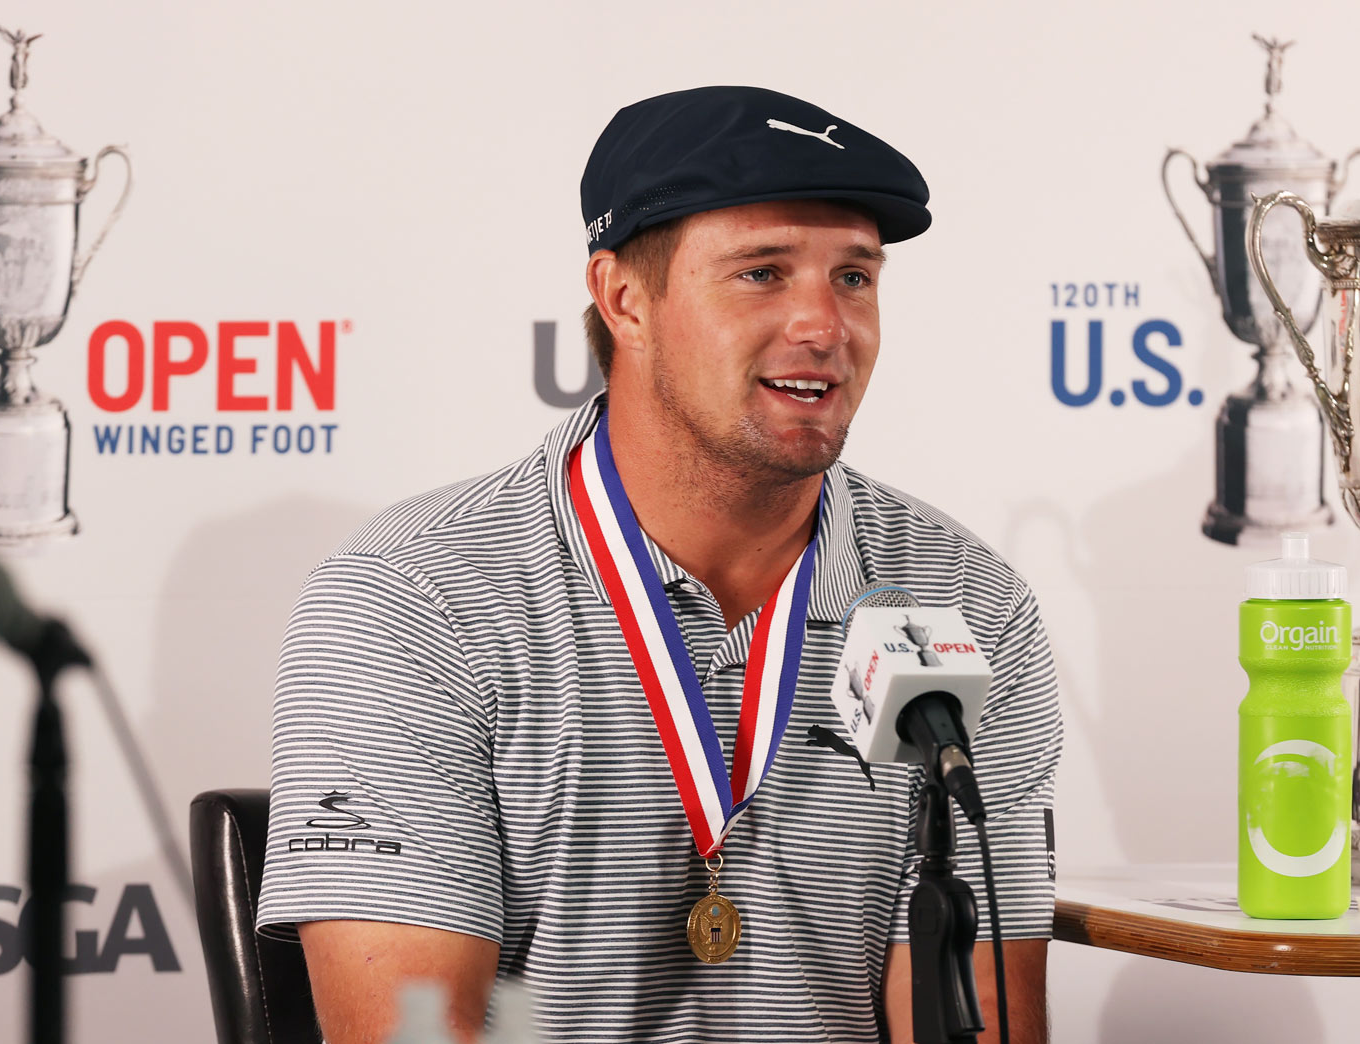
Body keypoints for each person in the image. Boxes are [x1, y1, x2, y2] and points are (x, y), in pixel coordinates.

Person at [256, 85, 1063, 1044]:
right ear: (625, 300)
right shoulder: (415, 599)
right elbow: (416, 1034)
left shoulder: (959, 603)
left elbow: (974, 1019)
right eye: (763, 273)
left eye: (854, 277)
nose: (826, 326)